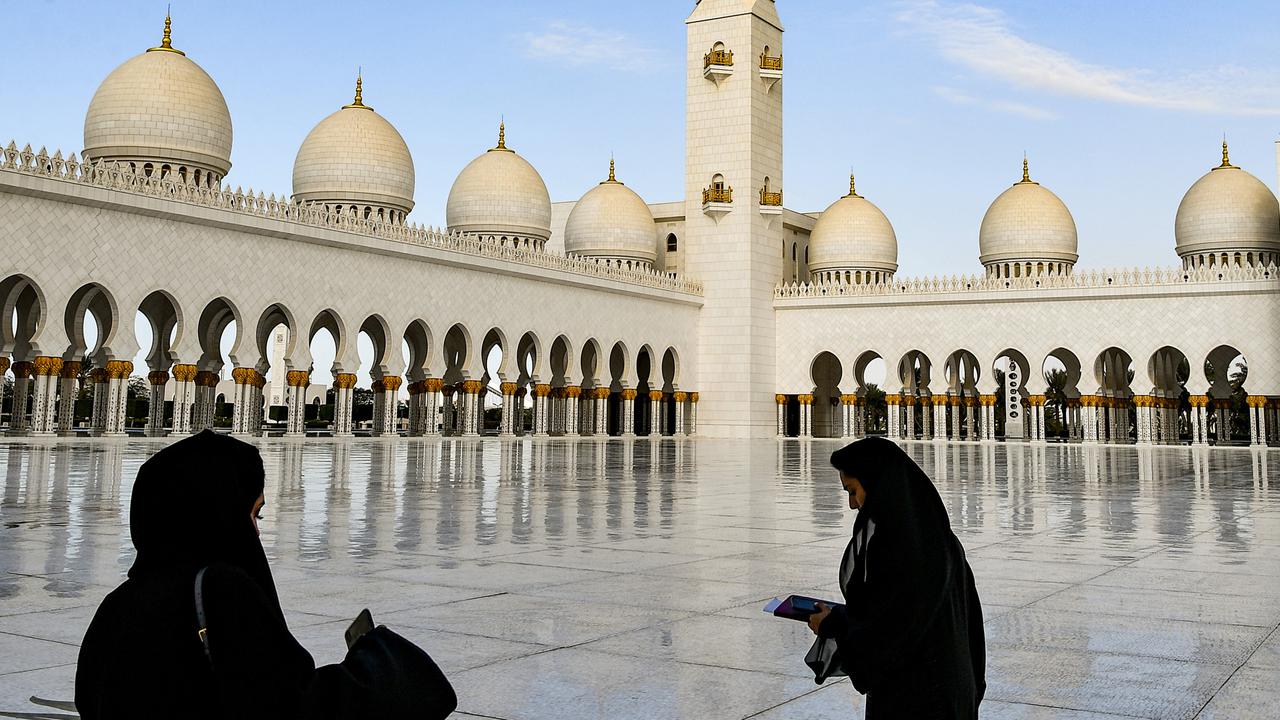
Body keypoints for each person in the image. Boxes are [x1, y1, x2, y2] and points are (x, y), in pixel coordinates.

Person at [75, 430, 455, 720]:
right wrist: (383, 661)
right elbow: (292, 709)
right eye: (252, 514)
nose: (255, 532)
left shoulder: (116, 605)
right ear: (218, 510)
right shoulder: (220, 592)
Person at [804, 437, 985, 719]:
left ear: (876, 484)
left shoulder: (896, 547)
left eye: (853, 491)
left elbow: (889, 631)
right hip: (951, 688)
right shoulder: (939, 538)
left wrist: (833, 624)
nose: (852, 504)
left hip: (916, 697)